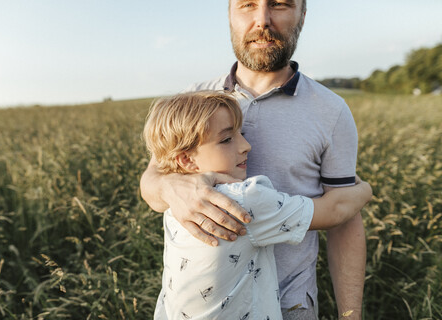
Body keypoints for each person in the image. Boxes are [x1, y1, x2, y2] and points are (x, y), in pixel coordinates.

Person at [140, 0, 367, 319]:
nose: (262, 20)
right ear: (230, 14)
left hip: (290, 305)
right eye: (247, 5)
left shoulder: (331, 110)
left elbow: (344, 220)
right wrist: (170, 188)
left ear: (302, 14)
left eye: (280, 5)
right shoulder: (195, 102)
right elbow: (152, 181)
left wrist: (351, 315)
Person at [143, 91, 372, 320]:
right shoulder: (244, 199)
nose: (246, 145)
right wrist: (365, 189)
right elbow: (334, 211)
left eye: (240, 133)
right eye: (226, 139)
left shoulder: (176, 201)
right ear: (186, 159)